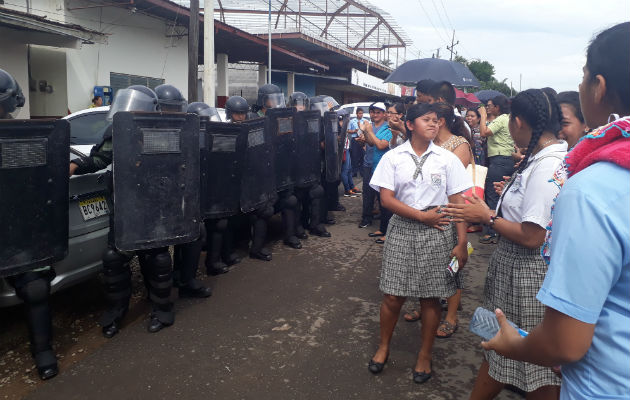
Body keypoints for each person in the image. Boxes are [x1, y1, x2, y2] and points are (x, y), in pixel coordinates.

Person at [481, 22, 630, 400]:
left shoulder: (596, 187)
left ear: (598, 87)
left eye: (582, 78)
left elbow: (564, 343)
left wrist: (517, 346)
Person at [443, 88, 568, 399]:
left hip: (525, 273)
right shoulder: (544, 158)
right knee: (506, 350)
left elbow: (532, 236)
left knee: (530, 358)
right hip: (517, 267)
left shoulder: (545, 166)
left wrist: (487, 216)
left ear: (519, 121)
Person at [367, 102, 471, 384]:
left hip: (438, 231)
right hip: (402, 228)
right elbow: (386, 199)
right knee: (392, 294)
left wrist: (462, 242)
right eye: (427, 120)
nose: (434, 124)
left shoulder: (447, 159)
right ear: (410, 124)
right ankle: (384, 345)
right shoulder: (393, 157)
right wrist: (420, 216)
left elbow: (457, 202)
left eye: (437, 121)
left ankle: (425, 354)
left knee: (430, 297)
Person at [69, 85, 177, 337]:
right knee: (114, 259)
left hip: (154, 205)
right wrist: (74, 165)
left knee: (157, 258)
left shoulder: (164, 132)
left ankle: (162, 309)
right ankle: (116, 311)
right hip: (125, 205)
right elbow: (99, 159)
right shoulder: (117, 132)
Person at [1, 69, 58, 380]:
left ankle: (43, 350)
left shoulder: (22, 138)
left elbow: (41, 183)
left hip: (16, 228)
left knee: (36, 287)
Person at [478, 94, 514, 244]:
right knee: (503, 195)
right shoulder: (507, 119)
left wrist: (483, 116)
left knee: (493, 195)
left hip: (499, 161)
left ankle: (493, 231)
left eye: (489, 106)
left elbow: (483, 132)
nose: (487, 108)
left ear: (497, 107)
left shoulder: (501, 119)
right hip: (507, 160)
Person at [359, 102, 392, 241]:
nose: (375, 114)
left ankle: (385, 228)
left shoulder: (388, 128)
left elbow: (380, 144)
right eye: (372, 112)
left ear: (384, 114)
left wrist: (369, 132)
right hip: (368, 163)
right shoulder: (369, 126)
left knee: (383, 197)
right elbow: (370, 143)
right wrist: (364, 136)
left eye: (378, 112)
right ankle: (367, 218)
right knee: (367, 193)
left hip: (381, 166)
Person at [348, 108, 367, 178]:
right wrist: (354, 131)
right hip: (355, 139)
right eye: (359, 113)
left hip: (362, 139)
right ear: (356, 114)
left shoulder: (365, 121)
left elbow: (367, 130)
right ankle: (354, 172)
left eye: (362, 113)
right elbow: (348, 131)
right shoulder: (352, 121)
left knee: (362, 155)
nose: (361, 115)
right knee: (354, 156)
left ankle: (362, 171)